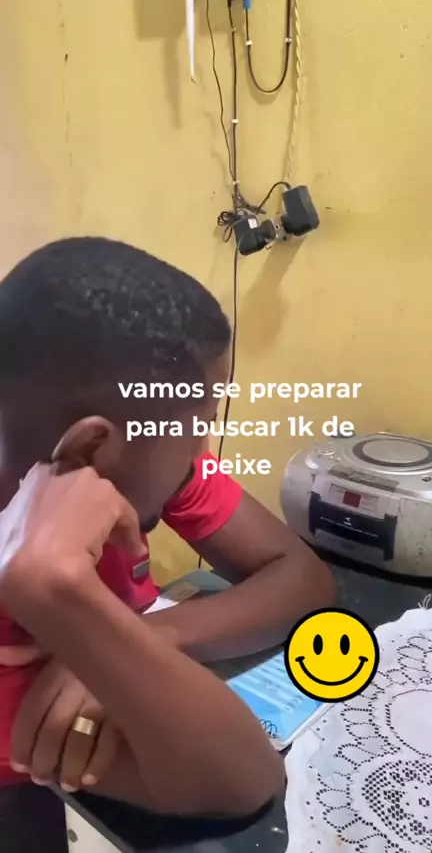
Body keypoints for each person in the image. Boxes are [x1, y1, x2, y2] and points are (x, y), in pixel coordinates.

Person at [0, 238, 333, 818]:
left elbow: (302, 577)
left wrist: (139, 640)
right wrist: (53, 590)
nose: (203, 450)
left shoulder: (113, 462)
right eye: (199, 425)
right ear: (94, 446)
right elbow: (239, 781)